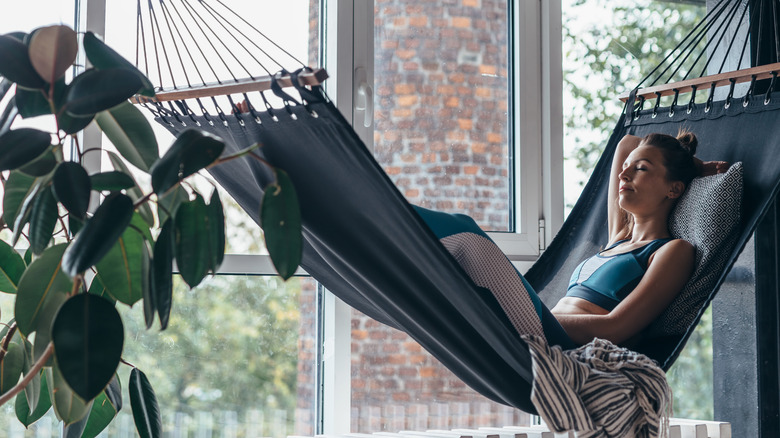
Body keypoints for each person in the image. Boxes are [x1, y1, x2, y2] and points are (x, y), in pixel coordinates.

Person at [415, 131, 728, 350]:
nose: (623, 175)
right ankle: (398, 259)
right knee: (447, 283)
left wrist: (537, 319)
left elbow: (617, 327)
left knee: (468, 239)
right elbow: (627, 143)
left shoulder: (672, 251)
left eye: (641, 169)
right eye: (625, 169)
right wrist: (694, 166)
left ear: (673, 190)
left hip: (554, 338)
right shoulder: (618, 239)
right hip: (536, 325)